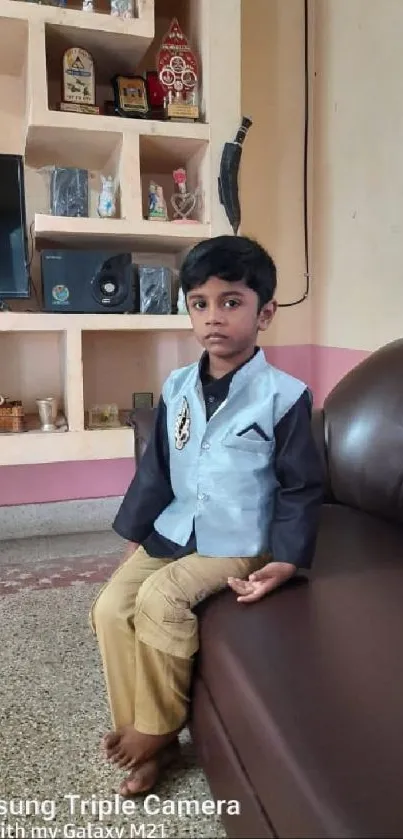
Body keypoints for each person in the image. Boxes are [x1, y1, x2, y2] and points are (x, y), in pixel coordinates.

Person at [90, 234, 324, 796]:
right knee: (110, 605)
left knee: (160, 598)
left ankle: (156, 730)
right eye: (199, 303)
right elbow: (156, 470)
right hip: (175, 527)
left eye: (231, 302)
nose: (213, 317)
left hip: (240, 537)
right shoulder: (176, 387)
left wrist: (288, 561)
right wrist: (137, 535)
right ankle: (151, 736)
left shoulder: (284, 396)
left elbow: (300, 487)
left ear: (264, 312)